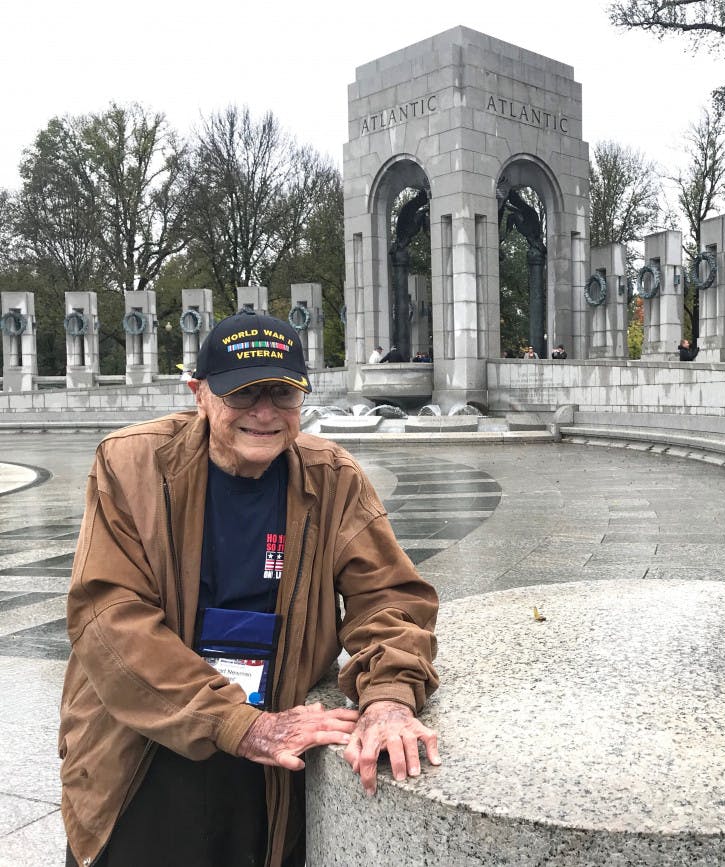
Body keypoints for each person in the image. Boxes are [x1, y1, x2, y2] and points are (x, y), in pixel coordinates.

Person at [60, 310, 440, 867]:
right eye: (242, 394)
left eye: (283, 395)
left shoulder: (332, 476)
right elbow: (107, 616)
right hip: (145, 741)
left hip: (273, 751)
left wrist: (388, 695)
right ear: (199, 393)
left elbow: (388, 597)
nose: (264, 414)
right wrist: (237, 723)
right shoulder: (131, 463)